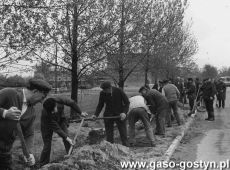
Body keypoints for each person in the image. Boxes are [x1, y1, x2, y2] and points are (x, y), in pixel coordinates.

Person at [0, 78, 51, 170]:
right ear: (35, 91)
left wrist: (29, 152)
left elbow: (29, 133)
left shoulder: (31, 113)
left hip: (4, 151)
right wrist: (4, 113)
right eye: (42, 97)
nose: (41, 101)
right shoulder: (9, 93)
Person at [39, 97, 88, 167]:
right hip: (47, 124)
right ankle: (43, 164)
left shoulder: (59, 99)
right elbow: (57, 129)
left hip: (61, 120)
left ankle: (71, 157)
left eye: (53, 110)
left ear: (55, 105)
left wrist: (80, 112)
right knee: (47, 144)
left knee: (67, 139)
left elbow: (71, 103)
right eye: (51, 112)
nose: (52, 112)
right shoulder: (46, 114)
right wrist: (67, 138)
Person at [92, 81, 130, 146]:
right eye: (103, 90)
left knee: (123, 132)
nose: (105, 92)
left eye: (106, 90)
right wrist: (96, 114)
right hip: (108, 114)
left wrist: (124, 113)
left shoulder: (119, 90)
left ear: (110, 88)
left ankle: (126, 146)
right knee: (109, 133)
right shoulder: (102, 93)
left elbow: (127, 103)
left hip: (119, 114)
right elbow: (100, 105)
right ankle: (110, 147)